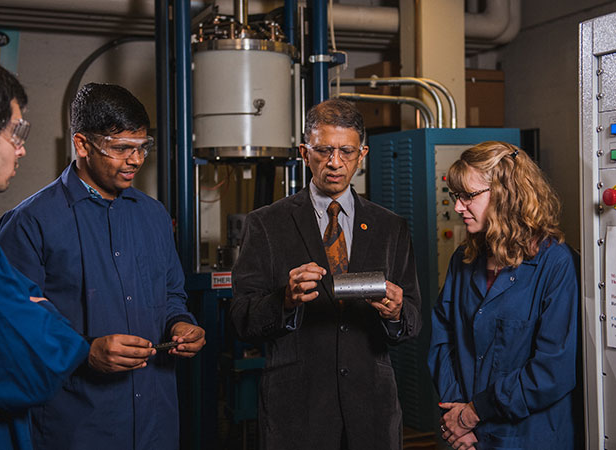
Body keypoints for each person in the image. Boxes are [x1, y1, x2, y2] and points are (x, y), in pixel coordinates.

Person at [0, 83, 206, 450]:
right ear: (82, 145)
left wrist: (181, 323)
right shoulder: (30, 223)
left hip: (156, 424)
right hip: (77, 427)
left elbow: (172, 293)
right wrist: (85, 352)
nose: (136, 161)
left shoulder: (154, 215)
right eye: (121, 148)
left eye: (142, 148)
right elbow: (10, 327)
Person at [231, 98, 422, 450]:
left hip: (372, 411)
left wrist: (396, 313)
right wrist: (284, 300)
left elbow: (412, 317)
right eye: (323, 150)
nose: (335, 163)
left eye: (346, 151)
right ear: (305, 152)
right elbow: (242, 320)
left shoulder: (389, 227)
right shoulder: (267, 225)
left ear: (362, 154)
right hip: (296, 410)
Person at [0, 52, 89, 449]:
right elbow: (44, 358)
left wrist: (27, 306)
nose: (21, 150)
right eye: (16, 134)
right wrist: (35, 305)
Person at [427, 141, 580, 449]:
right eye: (456, 196)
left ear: (505, 194)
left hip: (529, 437)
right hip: (467, 436)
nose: (458, 207)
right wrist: (457, 414)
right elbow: (443, 339)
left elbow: (553, 369)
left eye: (468, 196)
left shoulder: (555, 263)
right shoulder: (464, 260)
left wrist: (474, 412)